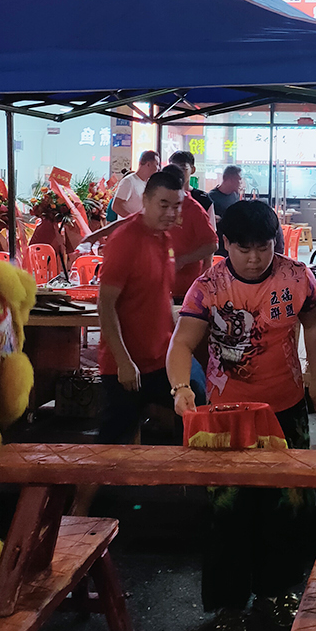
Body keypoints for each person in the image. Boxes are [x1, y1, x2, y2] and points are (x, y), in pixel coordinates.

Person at [167, 199, 316, 631]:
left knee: (288, 506)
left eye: (264, 247)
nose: (255, 258)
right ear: (226, 244)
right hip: (227, 417)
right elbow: (182, 343)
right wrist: (181, 388)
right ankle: (229, 604)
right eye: (244, 249)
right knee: (228, 511)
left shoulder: (297, 277)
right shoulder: (208, 287)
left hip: (286, 409)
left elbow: (315, 326)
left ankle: (278, 593)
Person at [95, 167, 204, 447]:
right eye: (163, 205)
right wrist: (123, 361)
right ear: (145, 200)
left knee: (195, 404)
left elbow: (160, 297)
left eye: (176, 206)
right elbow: (105, 305)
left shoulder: (164, 238)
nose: (170, 213)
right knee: (112, 446)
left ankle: (184, 471)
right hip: (126, 365)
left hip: (159, 360)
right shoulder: (125, 241)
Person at [164, 163, 218, 303]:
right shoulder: (159, 207)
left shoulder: (194, 209)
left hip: (186, 288)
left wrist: (183, 260)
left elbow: (212, 245)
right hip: (160, 284)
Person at [168, 149, 215, 225]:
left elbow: (211, 229)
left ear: (193, 170)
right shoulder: (164, 196)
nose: (178, 173)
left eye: (183, 168)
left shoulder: (203, 200)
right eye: (174, 168)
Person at [111, 150, 159, 220]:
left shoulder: (149, 183)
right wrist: (134, 220)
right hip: (130, 225)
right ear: (148, 164)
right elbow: (116, 206)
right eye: (157, 164)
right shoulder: (129, 181)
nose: (158, 168)